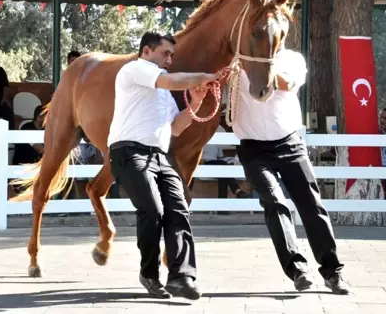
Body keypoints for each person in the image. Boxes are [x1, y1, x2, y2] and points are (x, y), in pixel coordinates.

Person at [108, 31, 222, 300]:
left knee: (179, 207)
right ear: (146, 51)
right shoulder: (135, 69)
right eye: (165, 53)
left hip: (159, 154)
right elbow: (170, 81)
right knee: (152, 210)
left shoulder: (162, 90)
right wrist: (205, 77)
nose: (170, 59)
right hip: (128, 152)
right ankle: (149, 273)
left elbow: (176, 128)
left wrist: (194, 102)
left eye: (172, 55)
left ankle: (182, 277)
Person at [232, 47, 350, 294]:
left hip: (289, 144)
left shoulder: (292, 59)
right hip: (253, 149)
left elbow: (286, 83)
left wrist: (253, 67)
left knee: (312, 205)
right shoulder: (236, 62)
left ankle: (333, 272)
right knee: (275, 203)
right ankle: (298, 270)